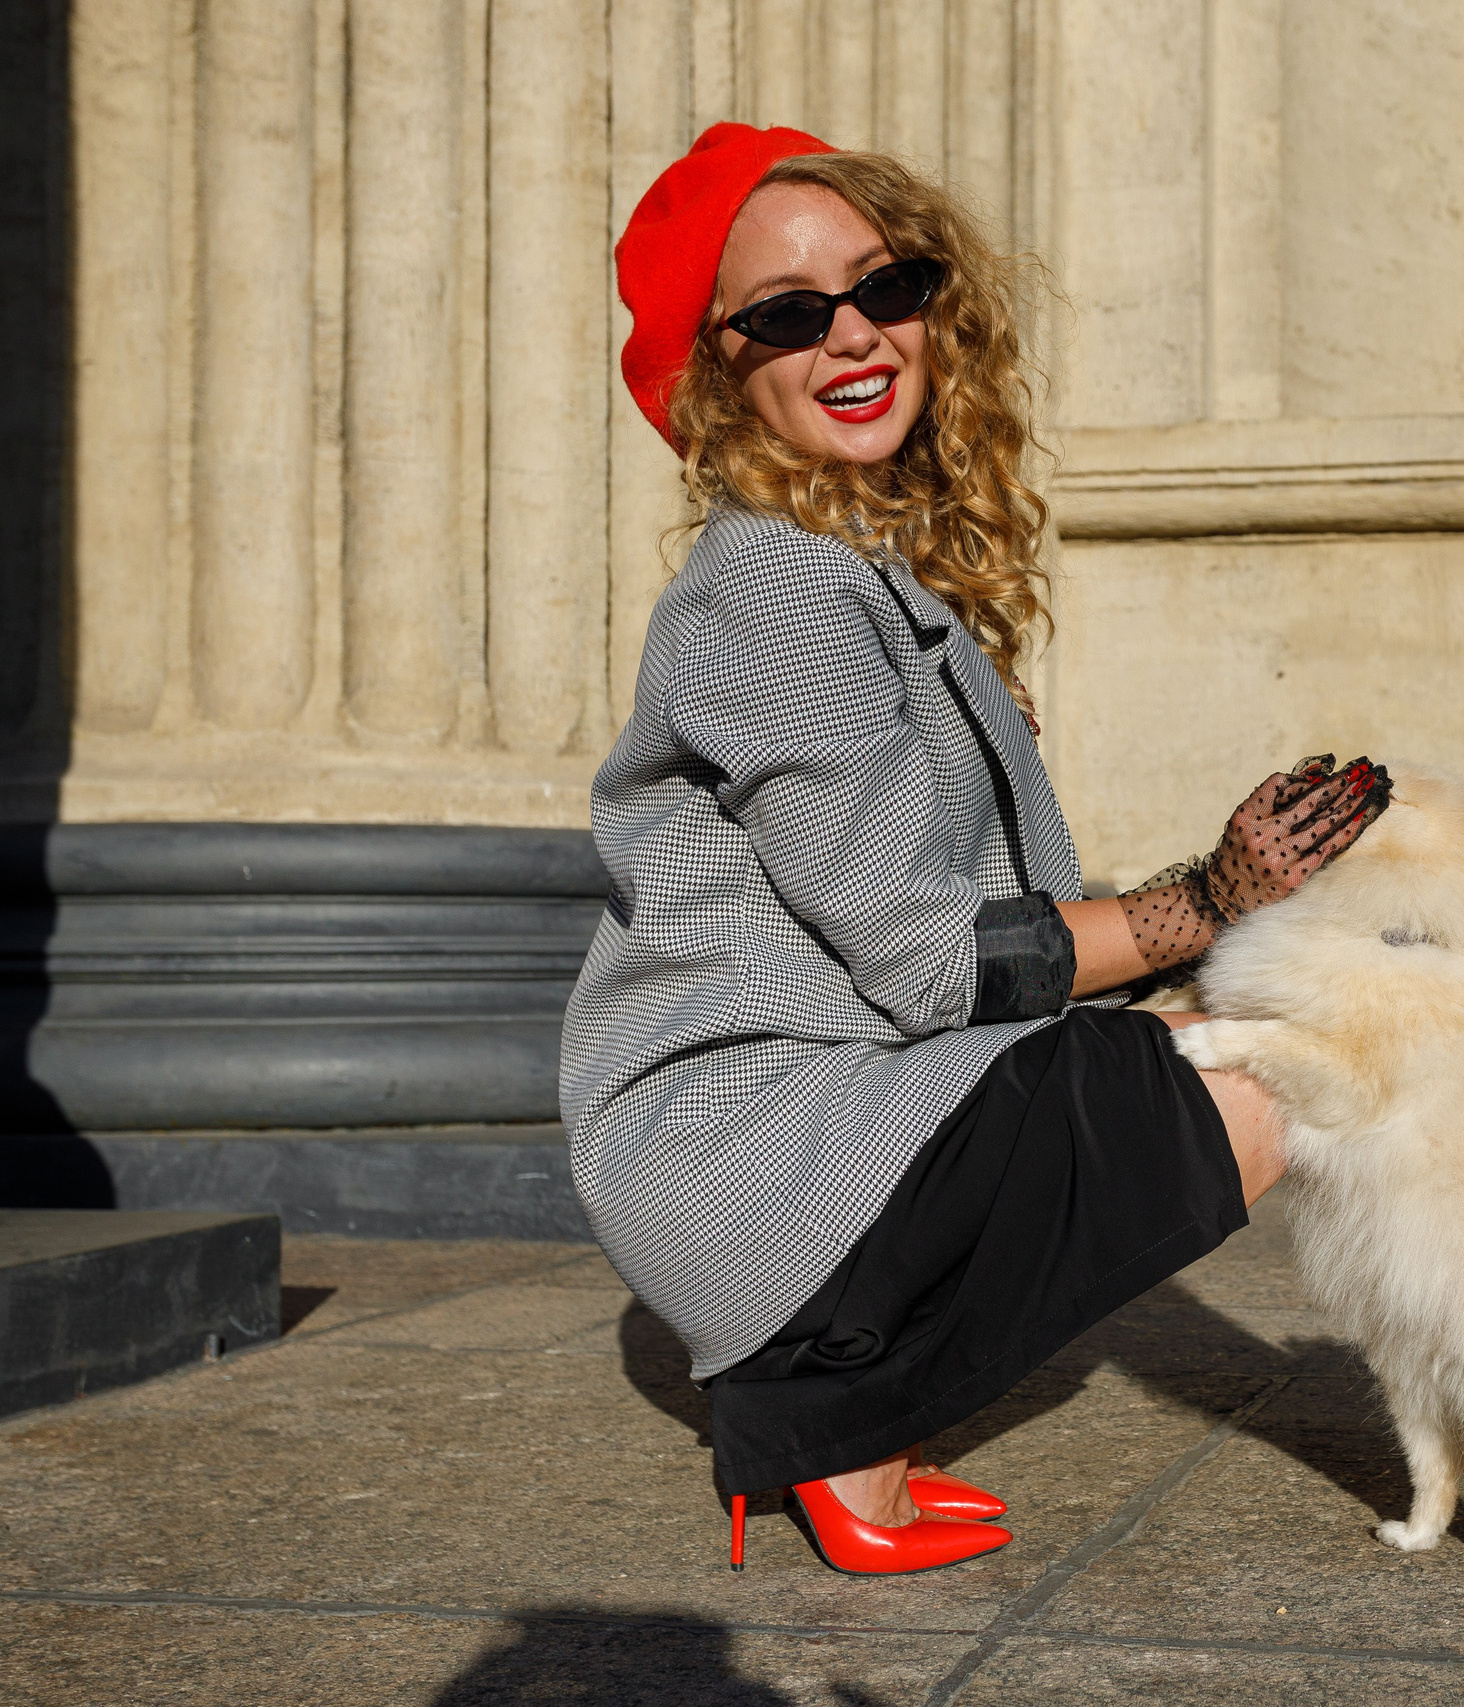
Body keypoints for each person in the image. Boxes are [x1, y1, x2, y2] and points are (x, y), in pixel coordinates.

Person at [561, 124, 1389, 1577]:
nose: (853, 336)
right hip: (748, 1147)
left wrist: (1213, 915)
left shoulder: (862, 571)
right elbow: (935, 960)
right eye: (787, 315)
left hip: (811, 1107)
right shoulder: (777, 589)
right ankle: (835, 1418)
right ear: (719, 373)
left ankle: (829, 1405)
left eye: (885, 288)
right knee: (1283, 1071)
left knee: (1242, 1036)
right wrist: (1211, 901)